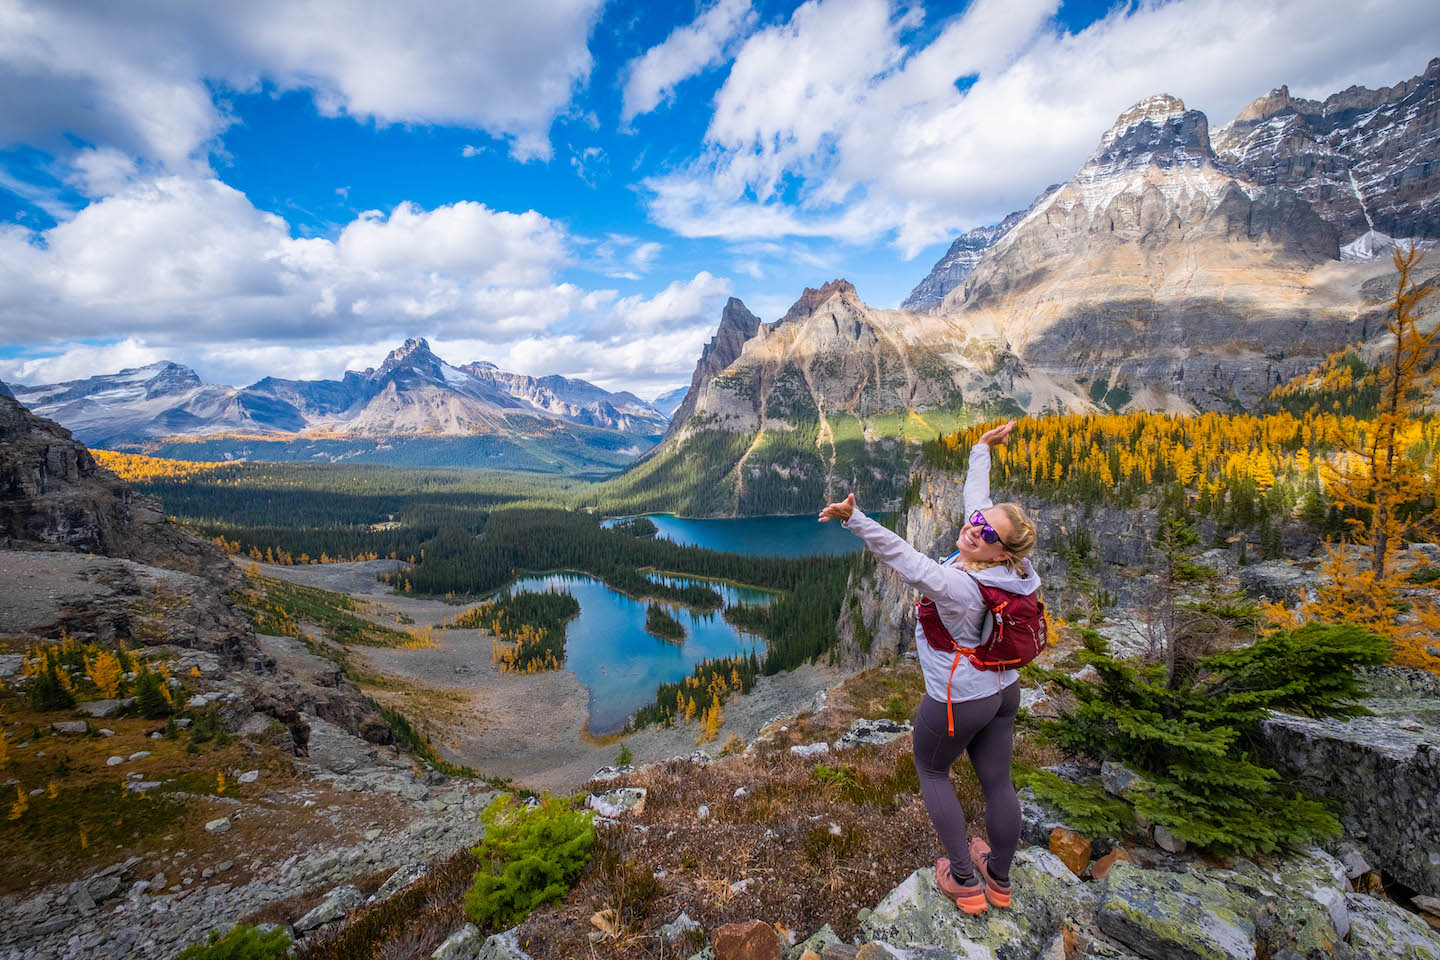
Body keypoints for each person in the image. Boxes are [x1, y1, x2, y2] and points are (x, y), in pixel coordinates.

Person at [818, 420, 1040, 915]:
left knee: (932, 769)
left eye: (984, 532)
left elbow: (910, 562)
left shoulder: (962, 588)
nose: (972, 528)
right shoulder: (1018, 568)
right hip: (1005, 690)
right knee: (997, 781)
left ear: (1000, 548)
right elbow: (976, 502)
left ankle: (963, 878)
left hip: (960, 698)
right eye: (976, 522)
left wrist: (856, 520)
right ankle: (999, 879)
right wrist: (981, 449)